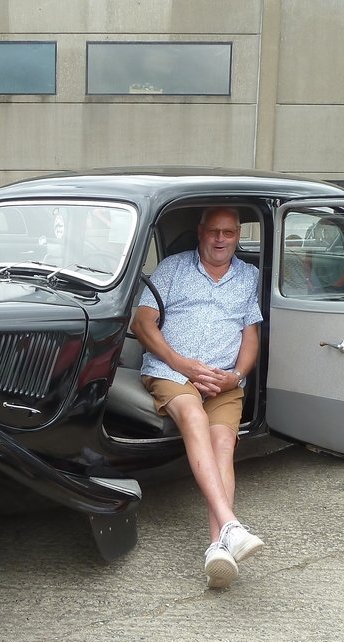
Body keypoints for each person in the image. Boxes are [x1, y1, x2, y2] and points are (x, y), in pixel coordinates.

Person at [131, 206, 264, 589]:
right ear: (201, 231)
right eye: (214, 231)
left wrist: (235, 376)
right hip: (171, 373)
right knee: (194, 417)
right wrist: (182, 364)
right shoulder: (172, 268)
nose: (221, 239)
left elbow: (250, 337)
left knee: (223, 443)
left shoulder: (249, 276)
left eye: (229, 232)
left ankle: (217, 548)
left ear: (237, 236)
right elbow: (142, 322)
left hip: (223, 380)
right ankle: (230, 524)